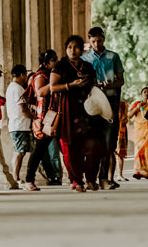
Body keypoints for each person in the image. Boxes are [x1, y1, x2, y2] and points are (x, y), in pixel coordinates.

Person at [50, 34, 111, 191]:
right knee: (72, 147)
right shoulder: (60, 66)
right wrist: (71, 85)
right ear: (65, 50)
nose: (73, 50)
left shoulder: (87, 67)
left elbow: (93, 87)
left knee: (95, 145)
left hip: (88, 111)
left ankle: (91, 177)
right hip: (68, 109)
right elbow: (53, 87)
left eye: (76, 47)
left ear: (82, 49)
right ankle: (77, 181)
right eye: (69, 47)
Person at [82, 25, 124, 189]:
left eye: (99, 41)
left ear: (104, 39)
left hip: (111, 100)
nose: (97, 44)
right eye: (94, 41)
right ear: (89, 41)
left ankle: (104, 178)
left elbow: (121, 80)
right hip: (92, 103)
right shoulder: (85, 59)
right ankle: (89, 177)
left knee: (109, 141)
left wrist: (111, 83)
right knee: (92, 141)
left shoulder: (113, 57)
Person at [26, 49, 62, 187]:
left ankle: (75, 178)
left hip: (58, 114)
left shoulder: (52, 74)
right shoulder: (40, 75)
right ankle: (29, 179)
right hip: (46, 118)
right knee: (40, 149)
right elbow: (40, 92)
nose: (56, 62)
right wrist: (54, 83)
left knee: (66, 147)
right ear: (46, 63)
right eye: (54, 60)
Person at [6, 63, 35, 189]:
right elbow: (23, 108)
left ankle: (15, 178)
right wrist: (34, 117)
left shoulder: (12, 87)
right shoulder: (17, 88)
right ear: (22, 74)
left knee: (19, 152)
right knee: (19, 152)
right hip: (20, 124)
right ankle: (16, 178)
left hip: (18, 124)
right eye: (25, 75)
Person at [114, 98, 128, 180]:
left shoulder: (123, 105)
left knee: (120, 154)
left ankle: (120, 174)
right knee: (111, 154)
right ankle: (109, 176)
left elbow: (126, 118)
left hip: (121, 131)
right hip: (112, 130)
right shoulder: (108, 103)